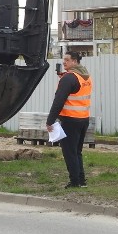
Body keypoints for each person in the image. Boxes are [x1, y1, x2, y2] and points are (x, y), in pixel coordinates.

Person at [46, 51, 92, 188]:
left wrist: (50, 121)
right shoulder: (85, 77)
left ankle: (75, 182)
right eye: (64, 59)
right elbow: (75, 89)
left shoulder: (68, 79)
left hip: (70, 121)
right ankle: (81, 180)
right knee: (77, 151)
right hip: (83, 119)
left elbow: (59, 101)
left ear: (75, 62)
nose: (64, 62)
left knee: (69, 152)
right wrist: (64, 77)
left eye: (67, 60)